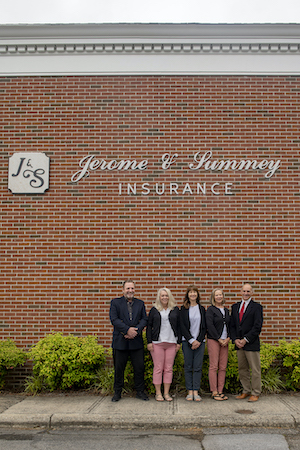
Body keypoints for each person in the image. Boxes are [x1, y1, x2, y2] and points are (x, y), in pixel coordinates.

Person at [109, 279, 149, 402]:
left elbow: (144, 319)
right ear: (123, 290)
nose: (130, 291)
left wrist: (135, 331)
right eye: (128, 288)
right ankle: (117, 392)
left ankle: (140, 392)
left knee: (139, 368)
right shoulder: (115, 303)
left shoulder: (140, 303)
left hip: (136, 342)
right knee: (119, 368)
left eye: (132, 288)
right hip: (120, 341)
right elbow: (114, 319)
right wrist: (127, 330)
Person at [230, 283, 263, 402]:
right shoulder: (235, 307)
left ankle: (255, 392)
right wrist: (235, 339)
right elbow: (232, 326)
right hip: (239, 344)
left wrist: (245, 339)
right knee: (242, 369)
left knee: (255, 370)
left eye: (248, 291)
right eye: (244, 291)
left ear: (252, 293)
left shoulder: (257, 307)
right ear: (240, 292)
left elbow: (257, 327)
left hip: (251, 343)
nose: (246, 293)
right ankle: (246, 390)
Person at [146, 288, 181, 402]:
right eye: (162, 296)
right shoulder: (154, 310)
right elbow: (149, 327)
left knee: (168, 369)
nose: (164, 298)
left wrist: (179, 342)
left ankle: (166, 393)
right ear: (159, 297)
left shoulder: (175, 309)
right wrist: (149, 342)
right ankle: (158, 393)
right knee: (158, 368)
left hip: (171, 343)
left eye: (166, 295)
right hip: (157, 343)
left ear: (169, 297)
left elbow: (179, 326)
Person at [180, 285, 206, 402]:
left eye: (194, 292)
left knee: (198, 367)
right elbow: (182, 326)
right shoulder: (184, 308)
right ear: (188, 295)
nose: (192, 294)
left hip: (200, 343)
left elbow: (204, 327)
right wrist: (191, 340)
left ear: (197, 295)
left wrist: (198, 340)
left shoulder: (202, 309)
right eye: (190, 292)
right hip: (187, 342)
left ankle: (196, 390)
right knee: (188, 366)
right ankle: (189, 391)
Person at [206, 288, 230, 401]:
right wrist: (218, 338)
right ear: (213, 297)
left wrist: (228, 337)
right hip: (214, 340)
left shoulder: (226, 310)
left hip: (225, 341)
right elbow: (209, 325)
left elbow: (231, 325)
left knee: (223, 367)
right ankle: (214, 391)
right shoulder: (211, 310)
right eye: (217, 295)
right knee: (214, 366)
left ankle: (220, 391)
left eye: (220, 295)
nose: (219, 297)